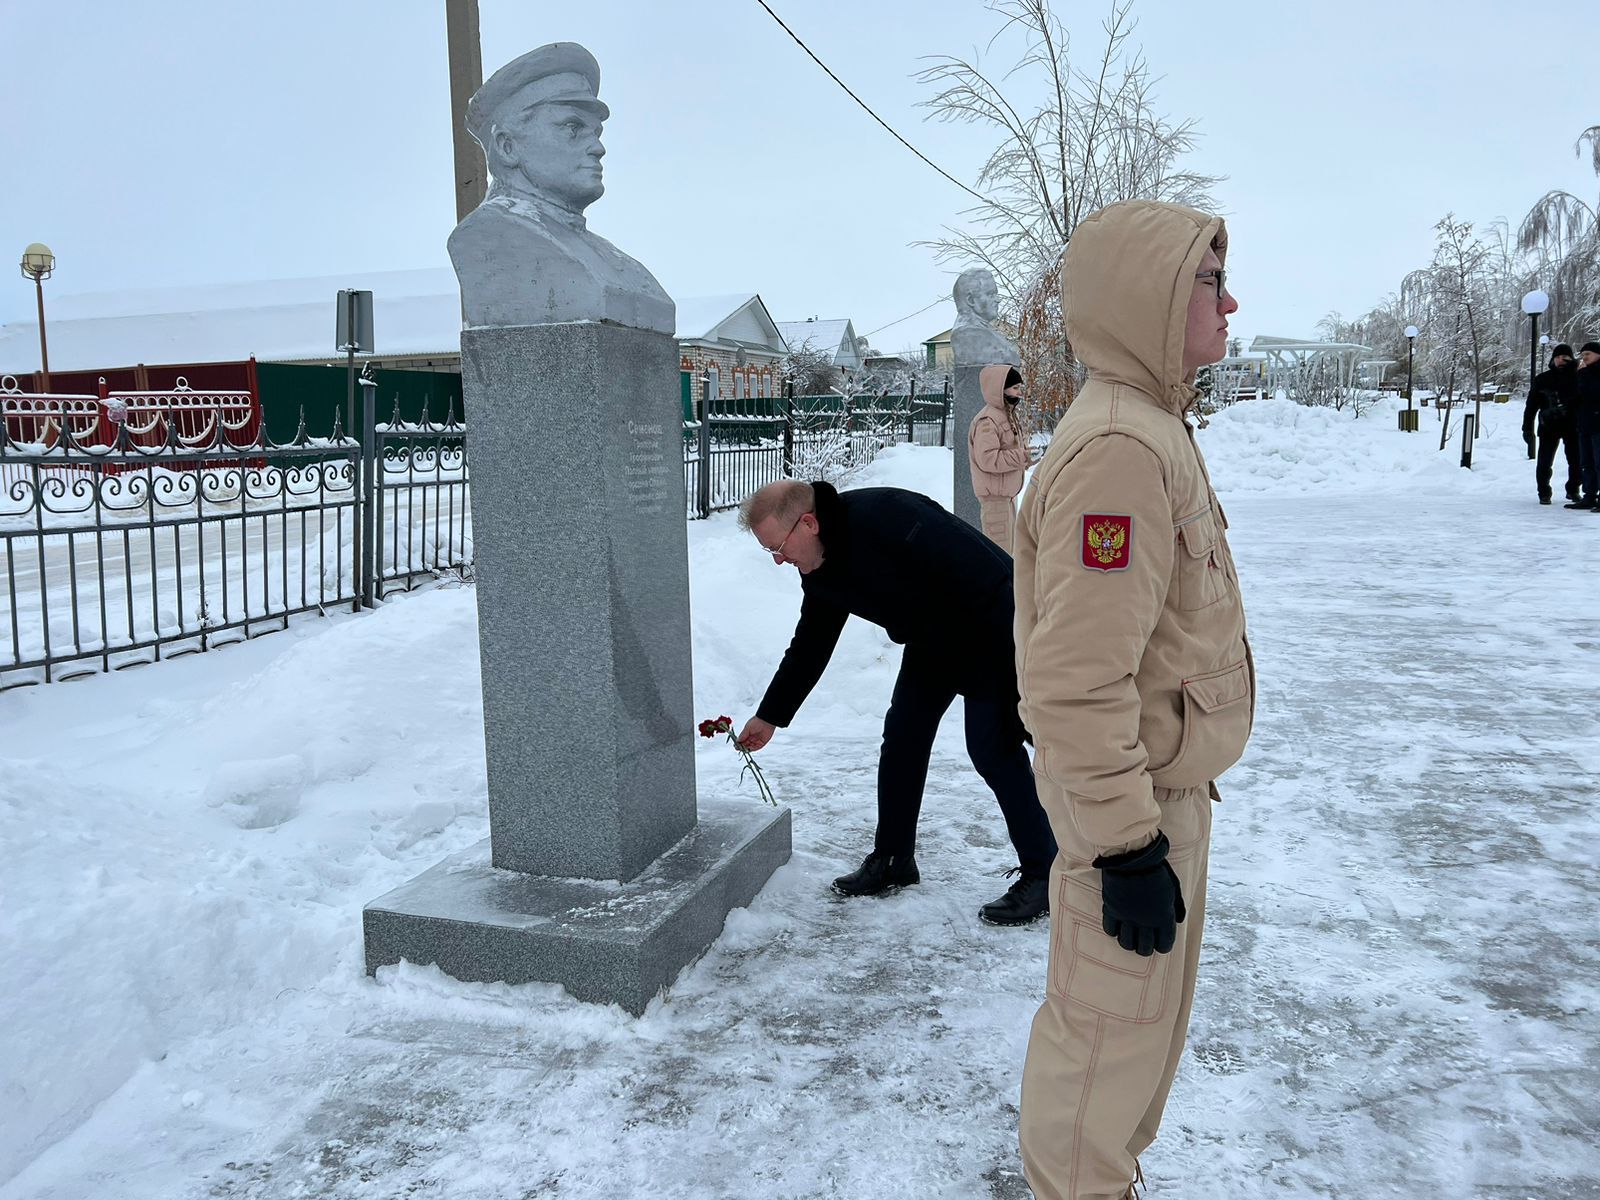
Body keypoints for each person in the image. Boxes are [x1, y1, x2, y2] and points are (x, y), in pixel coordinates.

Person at [1012, 199, 1254, 1199]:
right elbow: (1075, 680)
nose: (1230, 300)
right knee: (1101, 1067)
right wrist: (1124, 847)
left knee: (1135, 1057)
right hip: (1135, 815)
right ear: (1145, 296)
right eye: (1208, 280)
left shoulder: (1151, 426)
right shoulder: (1118, 447)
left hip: (1163, 802)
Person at [735, 478, 1057, 925]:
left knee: (992, 746)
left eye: (779, 546)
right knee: (903, 736)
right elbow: (811, 643)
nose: (778, 559)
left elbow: (982, 567)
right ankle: (893, 859)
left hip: (990, 622)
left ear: (807, 523)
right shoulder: (820, 567)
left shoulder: (888, 515)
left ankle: (1046, 874)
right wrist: (770, 715)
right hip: (933, 638)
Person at [448, 42, 674, 334]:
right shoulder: (486, 237)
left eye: (597, 133)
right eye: (573, 128)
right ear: (507, 147)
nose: (599, 147)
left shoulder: (621, 264)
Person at [969, 365, 1030, 552]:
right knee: (1000, 555)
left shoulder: (1006, 415)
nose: (1019, 393)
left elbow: (1008, 450)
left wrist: (1027, 457)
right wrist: (1021, 456)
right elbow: (988, 459)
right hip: (995, 502)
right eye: (1015, 388)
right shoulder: (987, 420)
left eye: (1020, 387)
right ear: (1000, 388)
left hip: (1008, 499)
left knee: (1010, 555)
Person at [1524, 344, 1580, 506]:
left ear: (1571, 359)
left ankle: (1573, 489)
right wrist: (1527, 427)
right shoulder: (1543, 379)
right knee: (1544, 462)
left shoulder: (1579, 377)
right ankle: (1544, 492)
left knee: (1577, 461)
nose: (1560, 360)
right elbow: (1531, 406)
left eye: (1564, 358)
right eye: (1557, 357)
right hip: (1548, 426)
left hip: (1573, 426)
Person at [1571, 342, 1600, 511]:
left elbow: (1593, 393)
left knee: (1598, 462)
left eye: (1587, 354)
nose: (1584, 358)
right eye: (1582, 355)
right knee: (1587, 462)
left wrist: (1582, 375)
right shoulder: (1583, 373)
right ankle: (1589, 495)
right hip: (1585, 424)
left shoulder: (1590, 374)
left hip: (1597, 424)